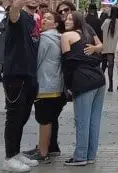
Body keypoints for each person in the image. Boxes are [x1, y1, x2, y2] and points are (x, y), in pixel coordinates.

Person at [1, 0, 43, 172]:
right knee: (14, 117)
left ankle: (16, 153)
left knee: (24, 116)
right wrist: (16, 4)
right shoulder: (18, 17)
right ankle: (9, 158)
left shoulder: (34, 20)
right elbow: (13, 13)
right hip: (16, 75)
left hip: (30, 75)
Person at [61, 11, 106, 166]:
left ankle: (80, 156)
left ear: (77, 21)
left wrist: (67, 86)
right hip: (99, 79)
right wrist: (94, 49)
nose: (66, 21)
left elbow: (67, 63)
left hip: (83, 81)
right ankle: (91, 154)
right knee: (94, 120)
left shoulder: (66, 36)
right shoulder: (88, 32)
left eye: (69, 19)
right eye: (65, 18)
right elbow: (101, 46)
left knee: (82, 120)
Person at [24, 10, 66, 163]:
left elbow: (37, 60)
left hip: (45, 85)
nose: (44, 20)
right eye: (44, 18)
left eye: (49, 18)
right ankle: (49, 148)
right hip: (57, 85)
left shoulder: (45, 39)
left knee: (44, 120)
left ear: (55, 24)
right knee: (50, 119)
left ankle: (43, 153)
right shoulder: (59, 37)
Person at [100, 6, 118, 91]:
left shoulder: (106, 21)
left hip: (108, 47)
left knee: (110, 65)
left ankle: (110, 86)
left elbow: (102, 29)